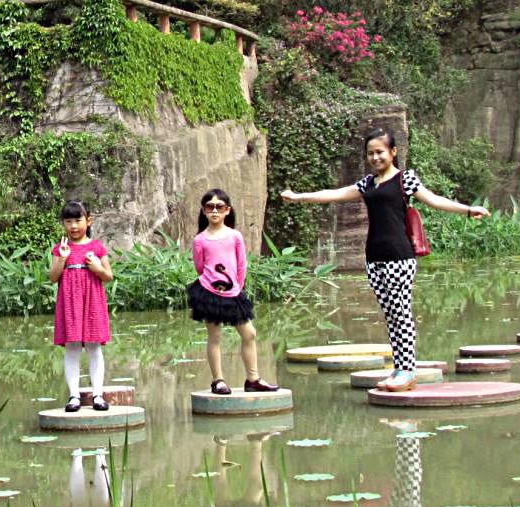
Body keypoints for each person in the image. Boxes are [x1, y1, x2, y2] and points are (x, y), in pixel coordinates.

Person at [280, 128, 489, 390]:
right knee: (390, 314)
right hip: (374, 257)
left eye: (380, 152)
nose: (375, 157)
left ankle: (408, 370)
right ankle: (399, 368)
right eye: (370, 153)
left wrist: (468, 210)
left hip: (399, 256)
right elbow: (336, 194)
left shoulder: (405, 180)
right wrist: (299, 197)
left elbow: (434, 200)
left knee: (402, 313)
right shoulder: (368, 183)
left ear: (393, 152)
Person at [187, 188, 277, 395]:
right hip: (208, 292)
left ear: (227, 210)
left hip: (233, 292)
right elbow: (200, 267)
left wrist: (237, 287)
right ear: (203, 210)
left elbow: (241, 265)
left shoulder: (235, 236)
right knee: (215, 336)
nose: (215, 211)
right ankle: (218, 380)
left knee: (249, 333)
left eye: (220, 207)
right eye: (210, 207)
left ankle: (253, 378)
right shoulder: (200, 240)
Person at [49, 200, 114, 412]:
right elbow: (52, 277)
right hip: (70, 303)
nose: (74, 226)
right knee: (72, 348)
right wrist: (62, 258)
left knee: (94, 347)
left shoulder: (97, 247)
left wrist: (96, 267)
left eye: (78, 220)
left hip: (92, 302)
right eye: (68, 221)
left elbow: (108, 276)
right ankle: (74, 396)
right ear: (63, 224)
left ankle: (97, 395)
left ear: (88, 221)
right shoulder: (61, 248)